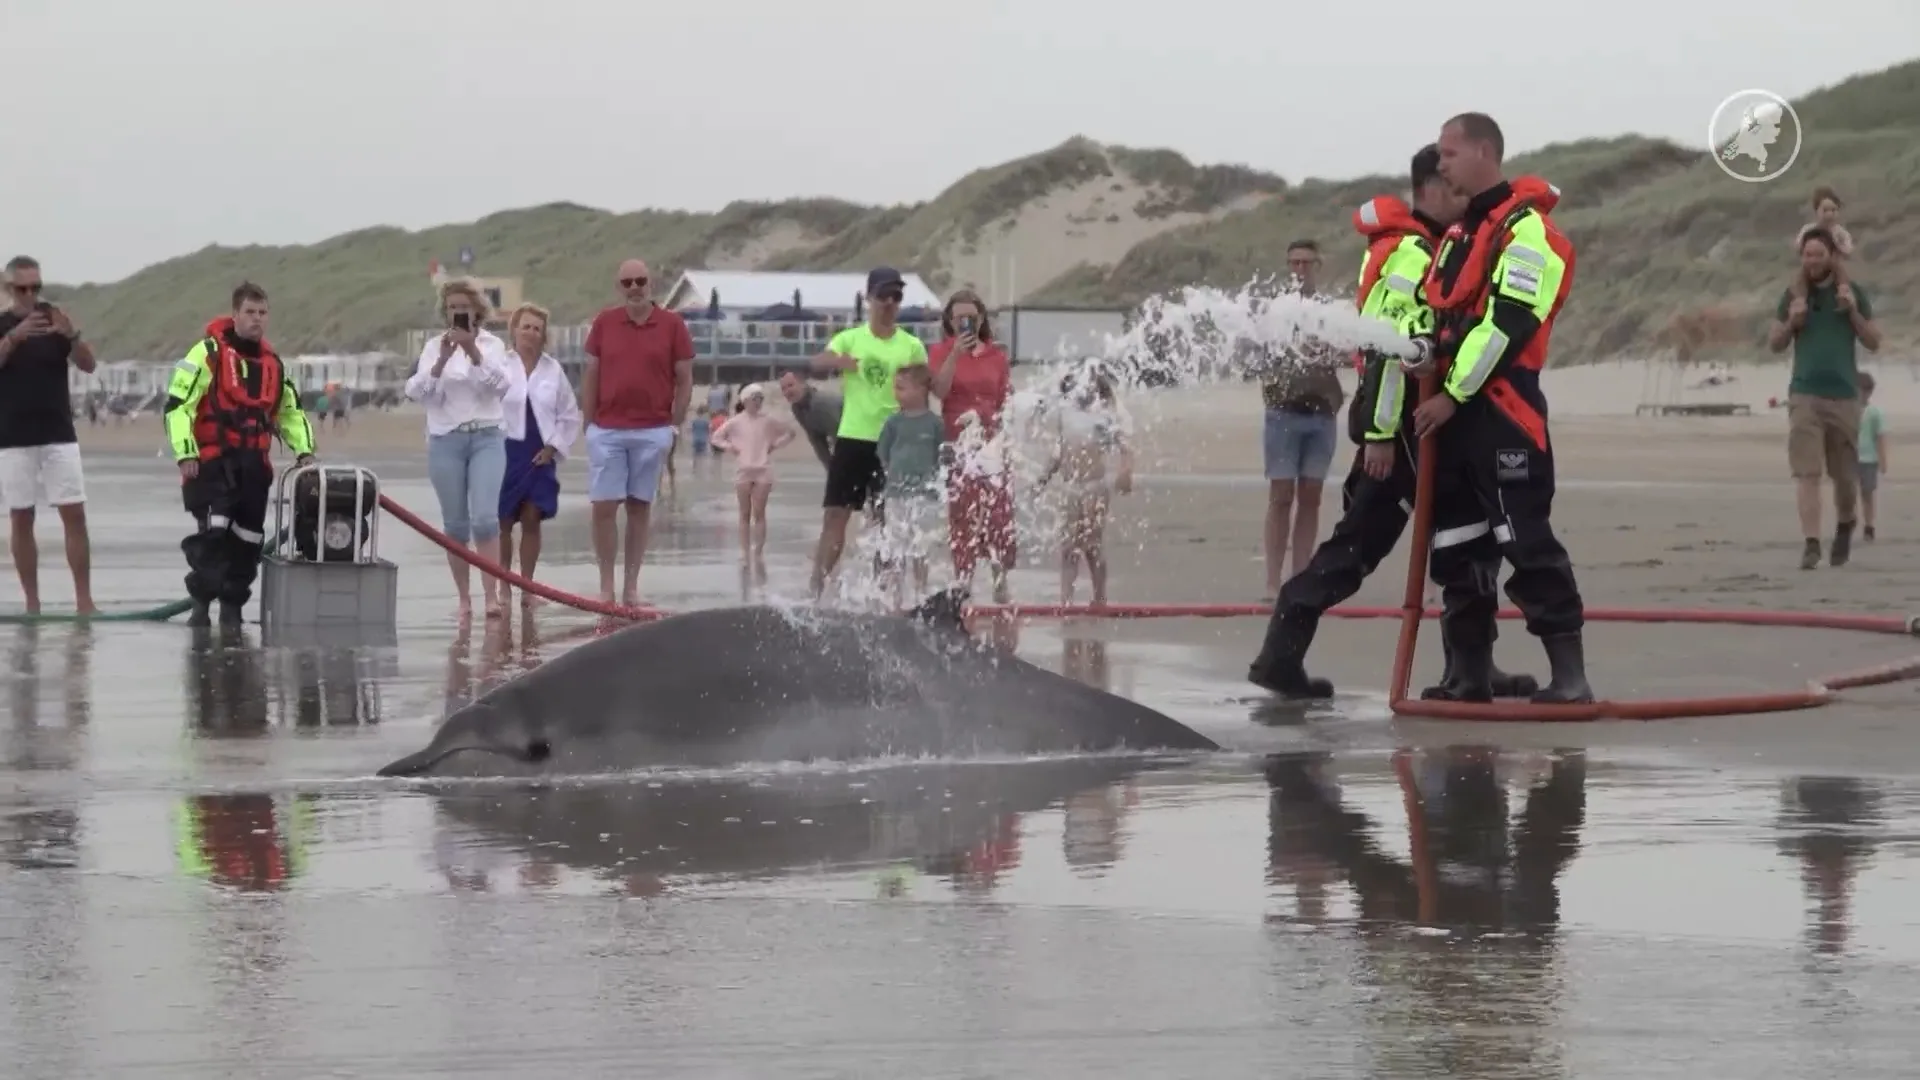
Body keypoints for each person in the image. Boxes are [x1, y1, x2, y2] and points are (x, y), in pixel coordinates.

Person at [1248, 145, 1537, 700]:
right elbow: (1387, 348)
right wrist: (1379, 436)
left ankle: (1473, 666)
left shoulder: (1432, 246)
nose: (1466, 202)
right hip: (1402, 434)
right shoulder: (1410, 253)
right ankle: (1279, 655)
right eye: (1456, 192)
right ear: (1430, 190)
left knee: (1468, 541)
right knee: (1356, 549)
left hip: (1432, 428)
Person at [1404, 112, 1589, 705]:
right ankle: (1469, 674)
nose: (1441, 165)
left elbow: (1507, 322)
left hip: (1502, 411)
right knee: (1457, 545)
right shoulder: (1460, 236)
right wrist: (1425, 358)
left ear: (1485, 152)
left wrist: (1453, 396)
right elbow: (1450, 317)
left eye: (1449, 154)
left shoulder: (1528, 233)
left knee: (1523, 537)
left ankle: (1570, 678)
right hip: (1456, 414)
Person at [162, 282, 316, 628]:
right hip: (212, 464)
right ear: (235, 315)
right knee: (213, 537)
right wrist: (186, 453)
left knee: (248, 542)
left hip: (254, 467)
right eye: (250, 312)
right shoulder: (206, 354)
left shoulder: (273, 364)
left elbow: (290, 411)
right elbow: (177, 406)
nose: (257, 319)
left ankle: (232, 610)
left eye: (262, 313)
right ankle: (201, 608)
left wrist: (305, 452)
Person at [807, 267, 928, 598]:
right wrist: (837, 361)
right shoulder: (852, 338)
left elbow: (923, 394)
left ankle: (885, 595)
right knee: (835, 517)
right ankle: (815, 591)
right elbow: (816, 362)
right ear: (869, 299)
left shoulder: (912, 345)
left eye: (896, 296)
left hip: (894, 443)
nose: (890, 302)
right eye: (883, 296)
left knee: (885, 522)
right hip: (853, 438)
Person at [580, 258, 694, 605]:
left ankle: (630, 586)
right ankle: (606, 585)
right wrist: (589, 423)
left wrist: (674, 423)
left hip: (653, 429)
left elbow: (685, 378)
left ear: (651, 283)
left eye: (640, 281)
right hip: (607, 428)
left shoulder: (673, 325)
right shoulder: (604, 323)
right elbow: (591, 374)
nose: (634, 288)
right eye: (627, 282)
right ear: (619, 287)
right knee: (603, 506)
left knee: (638, 507)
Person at [1769, 227, 1881, 569]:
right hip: (1804, 394)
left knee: (1845, 478)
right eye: (1807, 254)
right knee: (1807, 473)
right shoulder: (1792, 295)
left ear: (1831, 256)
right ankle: (1812, 543)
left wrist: (1852, 312)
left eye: (1819, 254)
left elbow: (1874, 340)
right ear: (1801, 257)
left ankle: (1846, 524)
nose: (1812, 260)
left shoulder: (1852, 292)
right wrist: (1793, 321)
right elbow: (1774, 343)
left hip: (1844, 396)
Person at [406, 278, 514, 620]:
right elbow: (418, 393)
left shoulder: (492, 345)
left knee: (485, 518)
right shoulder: (433, 347)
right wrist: (440, 362)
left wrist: (472, 351)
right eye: (452, 308)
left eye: (464, 307)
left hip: (486, 435)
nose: (458, 313)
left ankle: (491, 595)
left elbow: (499, 387)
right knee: (455, 525)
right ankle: (464, 598)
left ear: (477, 310)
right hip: (445, 439)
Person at [0, 255, 98, 616]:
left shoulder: (54, 320)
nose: (30, 295)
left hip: (58, 433)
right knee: (21, 518)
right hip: (11, 436)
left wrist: (72, 334)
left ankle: (84, 602)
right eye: (22, 288)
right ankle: (32, 604)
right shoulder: (2, 324)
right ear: (9, 289)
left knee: (74, 515)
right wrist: (13, 337)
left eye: (36, 287)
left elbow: (88, 365)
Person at [1258, 240, 1345, 599]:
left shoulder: (1331, 310)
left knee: (1311, 496)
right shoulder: (1274, 310)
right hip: (1282, 412)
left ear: (1318, 266)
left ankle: (1300, 576)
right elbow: (1257, 350)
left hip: (1322, 413)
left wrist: (1329, 348)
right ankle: (1271, 581)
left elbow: (1349, 349)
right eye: (1294, 263)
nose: (1300, 270)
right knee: (1280, 496)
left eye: (1306, 264)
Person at [929, 288, 1017, 603]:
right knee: (962, 515)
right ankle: (963, 582)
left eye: (972, 317)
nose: (967, 322)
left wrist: (1006, 438)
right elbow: (939, 391)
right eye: (960, 318)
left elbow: (1006, 400)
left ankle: (999, 579)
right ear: (950, 322)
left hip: (991, 440)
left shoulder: (997, 355)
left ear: (981, 319)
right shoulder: (940, 352)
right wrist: (955, 354)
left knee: (997, 513)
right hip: (958, 440)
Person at [496, 303, 582, 605]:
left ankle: (527, 587)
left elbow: (569, 414)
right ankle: (503, 585)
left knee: (532, 516)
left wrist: (553, 447)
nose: (531, 333)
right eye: (526, 326)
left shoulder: (553, 370)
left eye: (537, 328)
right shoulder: (499, 364)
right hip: (504, 450)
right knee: (503, 520)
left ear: (543, 335)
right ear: (514, 331)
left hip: (539, 452)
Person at [1038, 364, 1133, 608]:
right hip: (1070, 486)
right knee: (1068, 546)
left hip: (1095, 486)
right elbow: (1059, 451)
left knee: (1092, 544)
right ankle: (1066, 599)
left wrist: (1125, 471)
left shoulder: (1103, 414)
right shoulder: (1064, 413)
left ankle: (1099, 596)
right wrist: (1044, 478)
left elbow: (1125, 448)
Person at [875, 364, 947, 603]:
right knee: (896, 547)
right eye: (896, 388)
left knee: (921, 547)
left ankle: (919, 593)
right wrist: (892, 475)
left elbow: (942, 457)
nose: (896, 393)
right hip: (896, 494)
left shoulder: (935, 424)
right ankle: (896, 597)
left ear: (921, 389)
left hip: (925, 496)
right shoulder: (893, 423)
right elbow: (883, 453)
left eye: (901, 388)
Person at [709, 383, 795, 562]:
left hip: (763, 470)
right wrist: (731, 447)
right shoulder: (735, 421)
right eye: (755, 398)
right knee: (744, 513)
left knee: (759, 512)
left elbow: (790, 432)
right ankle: (744, 550)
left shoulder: (768, 420)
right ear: (745, 400)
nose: (758, 402)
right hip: (743, 471)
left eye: (760, 399)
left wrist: (774, 445)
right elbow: (716, 438)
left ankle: (758, 551)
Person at [779, 370, 842, 468]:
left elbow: (840, 438)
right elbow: (816, 440)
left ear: (803, 384)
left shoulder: (821, 403)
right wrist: (831, 470)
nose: (787, 391)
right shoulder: (797, 408)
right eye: (783, 389)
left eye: (791, 385)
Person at [1857, 371, 1886, 542]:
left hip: (1869, 460)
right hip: (1850, 458)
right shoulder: (1848, 411)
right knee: (1847, 494)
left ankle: (1869, 525)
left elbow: (1881, 436)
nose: (1862, 394)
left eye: (1865, 391)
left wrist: (1883, 460)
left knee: (1867, 494)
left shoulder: (1875, 412)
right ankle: (1847, 523)